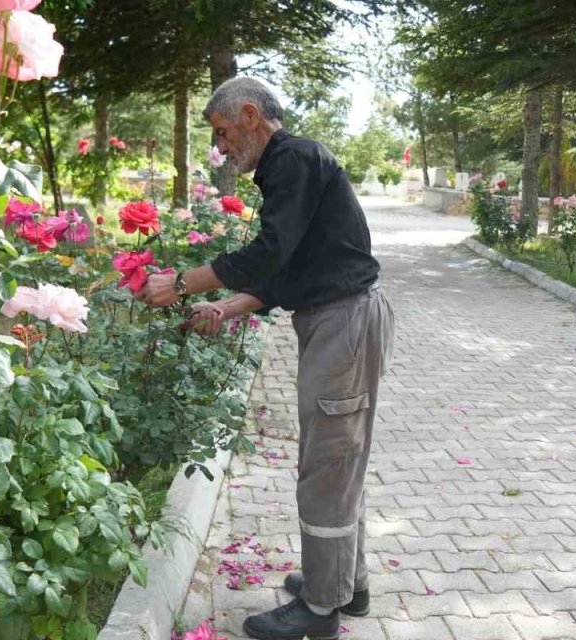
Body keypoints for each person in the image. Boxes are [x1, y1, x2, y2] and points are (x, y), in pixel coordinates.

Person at [135, 77, 394, 640]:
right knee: (338, 461)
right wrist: (228, 308)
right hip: (341, 319)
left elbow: (269, 253)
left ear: (250, 115)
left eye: (223, 132)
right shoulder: (294, 163)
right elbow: (292, 266)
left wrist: (182, 283)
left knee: (327, 466)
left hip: (342, 323)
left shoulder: (291, 159)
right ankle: (349, 584)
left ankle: (322, 610)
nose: (222, 147)